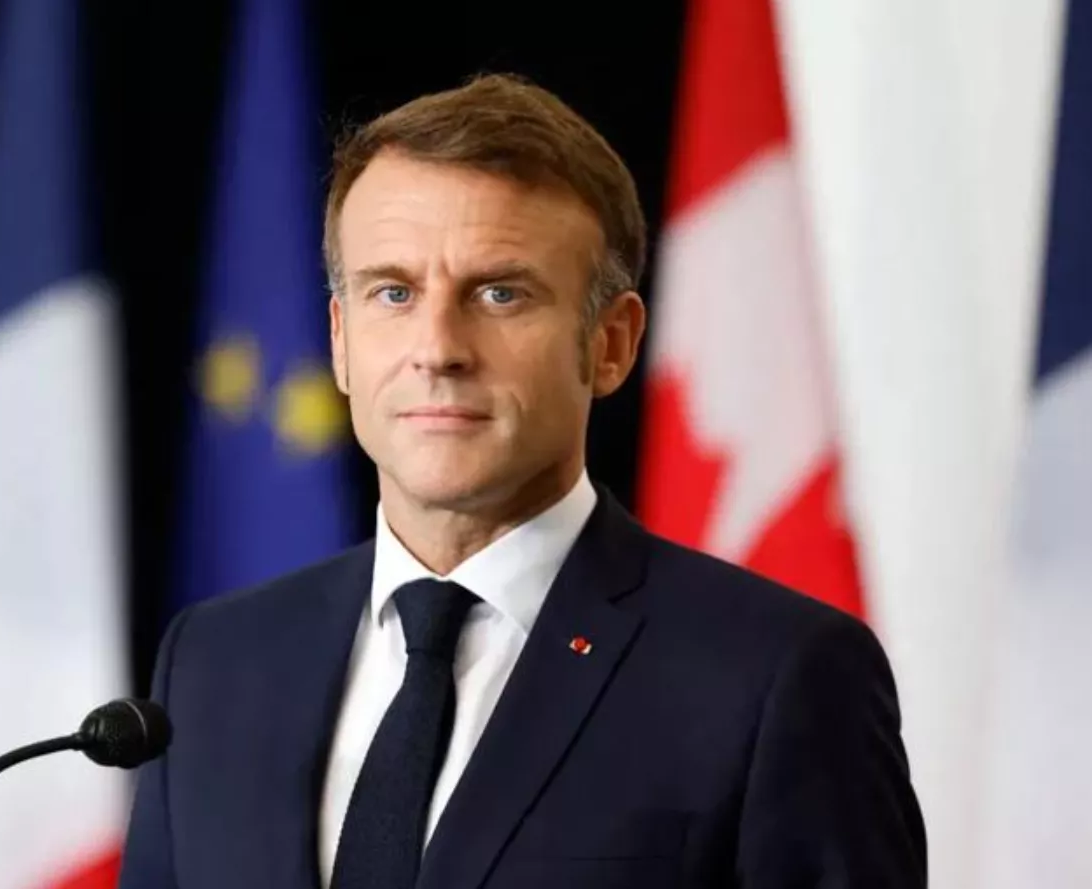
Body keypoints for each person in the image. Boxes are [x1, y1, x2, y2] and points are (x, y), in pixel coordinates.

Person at [118, 73, 926, 889]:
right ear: (340, 339)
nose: (438, 348)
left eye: (500, 293)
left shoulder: (775, 675)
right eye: (393, 292)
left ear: (611, 343)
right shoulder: (215, 662)